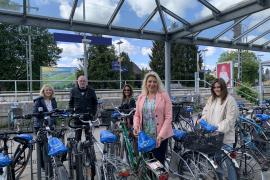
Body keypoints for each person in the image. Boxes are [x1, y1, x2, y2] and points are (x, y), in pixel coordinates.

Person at [133, 71, 173, 164]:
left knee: (158, 164)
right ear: (146, 83)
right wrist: (136, 126)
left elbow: (168, 117)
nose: (152, 84)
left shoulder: (164, 96)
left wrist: (161, 135)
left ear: (158, 83)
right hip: (145, 137)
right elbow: (137, 115)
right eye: (149, 81)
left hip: (160, 137)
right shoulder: (141, 97)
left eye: (154, 82)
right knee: (147, 163)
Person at [200, 78, 239, 148]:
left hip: (225, 138)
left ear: (223, 87)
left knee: (226, 158)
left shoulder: (230, 100)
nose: (216, 89)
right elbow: (205, 112)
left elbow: (230, 120)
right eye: (214, 87)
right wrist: (203, 120)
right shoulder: (211, 99)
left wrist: (217, 127)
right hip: (212, 137)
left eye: (218, 87)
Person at [69, 75, 98, 141]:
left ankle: (89, 151)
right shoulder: (73, 91)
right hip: (77, 117)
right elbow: (71, 103)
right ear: (78, 82)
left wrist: (93, 113)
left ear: (86, 82)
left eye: (84, 81)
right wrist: (72, 113)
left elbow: (95, 103)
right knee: (77, 137)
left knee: (89, 137)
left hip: (88, 117)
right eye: (81, 81)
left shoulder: (91, 90)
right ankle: (78, 150)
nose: (82, 82)